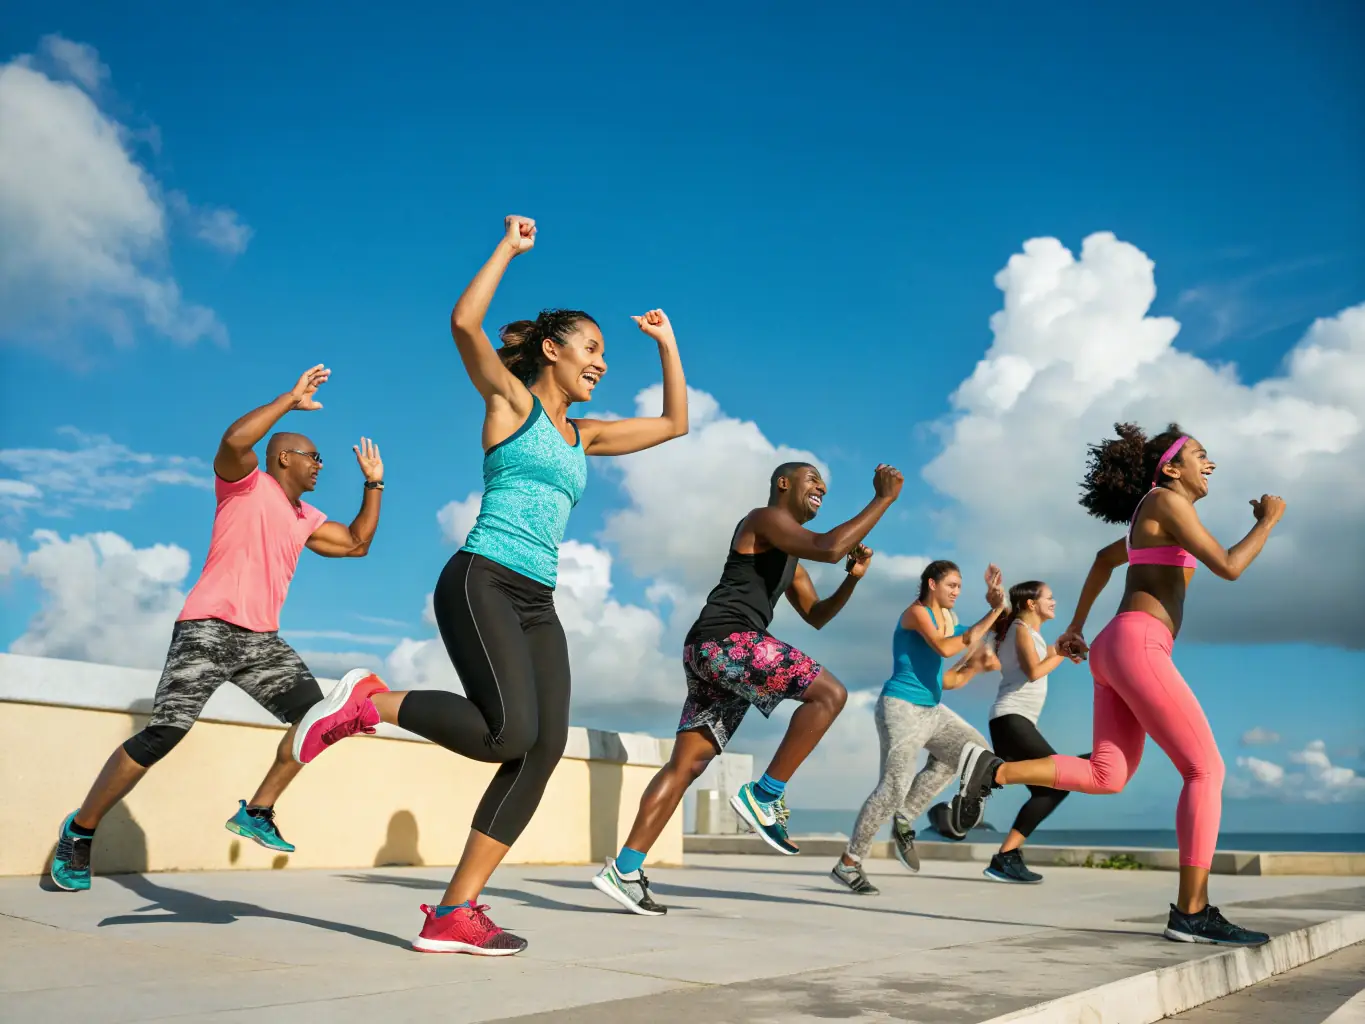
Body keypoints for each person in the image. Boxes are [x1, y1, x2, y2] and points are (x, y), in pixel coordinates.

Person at [293, 215, 689, 955]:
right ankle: (367, 702)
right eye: (592, 348)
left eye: (605, 352)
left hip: (537, 599)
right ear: (552, 349)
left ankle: (455, 912)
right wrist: (509, 247)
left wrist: (665, 344)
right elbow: (463, 321)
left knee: (539, 751)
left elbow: (673, 424)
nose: (601, 362)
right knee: (506, 731)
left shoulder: (586, 434)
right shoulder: (510, 400)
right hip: (481, 580)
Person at [50, 366, 387, 892]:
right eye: (313, 456)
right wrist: (288, 400)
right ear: (284, 457)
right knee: (166, 734)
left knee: (320, 721)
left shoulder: (305, 515)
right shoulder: (244, 485)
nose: (321, 465)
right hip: (207, 627)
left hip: (261, 641)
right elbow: (234, 440)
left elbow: (356, 543)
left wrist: (374, 484)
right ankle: (81, 830)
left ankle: (258, 809)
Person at [955, 423, 1285, 945]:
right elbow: (1229, 566)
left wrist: (1077, 627)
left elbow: (1105, 560)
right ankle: (1192, 911)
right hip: (1138, 644)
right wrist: (1268, 522)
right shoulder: (1166, 501)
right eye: (1202, 454)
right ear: (1171, 468)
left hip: (1115, 647)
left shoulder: (1152, 516)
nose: (1212, 464)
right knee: (1205, 769)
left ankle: (993, 772)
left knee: (1109, 775)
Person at [590, 461, 902, 916]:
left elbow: (816, 614)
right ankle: (764, 796)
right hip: (727, 640)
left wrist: (852, 580)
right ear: (783, 484)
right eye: (812, 479)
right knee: (830, 694)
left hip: (708, 651)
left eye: (824, 484)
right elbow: (832, 546)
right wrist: (883, 499)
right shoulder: (764, 519)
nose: (821, 487)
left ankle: (625, 870)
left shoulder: (789, 551)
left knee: (686, 765)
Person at [830, 561, 1005, 895]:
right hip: (901, 709)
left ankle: (904, 819)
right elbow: (947, 647)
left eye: (960, 587)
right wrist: (993, 612)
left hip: (931, 710)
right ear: (932, 584)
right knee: (893, 787)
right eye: (952, 585)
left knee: (972, 751)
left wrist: (998, 613)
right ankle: (848, 864)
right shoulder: (917, 613)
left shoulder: (950, 620)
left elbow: (948, 675)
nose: (956, 592)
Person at [982, 580, 1085, 884]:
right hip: (1010, 719)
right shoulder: (1019, 629)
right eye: (1049, 598)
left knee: (1050, 789)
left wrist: (1061, 648)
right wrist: (1062, 653)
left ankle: (1006, 856)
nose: (1054, 602)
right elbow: (1034, 671)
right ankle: (1001, 852)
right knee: (1059, 779)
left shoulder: (1028, 633)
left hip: (1015, 721)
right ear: (1031, 604)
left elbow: (1041, 660)